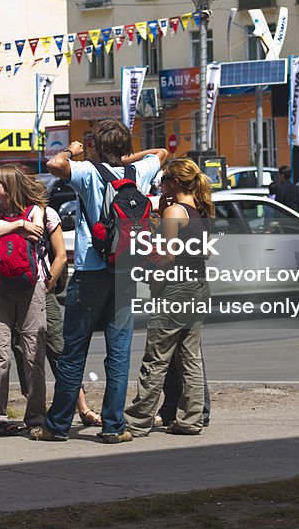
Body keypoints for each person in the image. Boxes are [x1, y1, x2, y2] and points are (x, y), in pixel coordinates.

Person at [31, 118, 168, 444]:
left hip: (92, 272)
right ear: (126, 147)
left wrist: (71, 150)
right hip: (125, 274)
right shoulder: (141, 172)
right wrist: (128, 159)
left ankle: (57, 425)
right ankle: (113, 426)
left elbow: (54, 164)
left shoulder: (88, 172)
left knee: (74, 352)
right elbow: (162, 152)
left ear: (96, 147)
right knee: (118, 353)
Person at [125, 158, 212, 437]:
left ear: (174, 183)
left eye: (163, 180)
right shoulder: (201, 210)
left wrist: (145, 271)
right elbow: (205, 252)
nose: (159, 185)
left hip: (175, 288)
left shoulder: (174, 211)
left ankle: (138, 420)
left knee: (157, 357)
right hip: (198, 286)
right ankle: (191, 419)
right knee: (190, 357)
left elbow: (167, 256)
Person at [10, 193, 102, 427]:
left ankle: (82, 407)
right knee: (22, 350)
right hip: (11, 290)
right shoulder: (5, 216)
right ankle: (35, 411)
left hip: (41, 289)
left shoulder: (45, 213)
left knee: (57, 347)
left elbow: (60, 256)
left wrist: (47, 286)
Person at [0, 164, 49, 436]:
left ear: (9, 185)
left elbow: (37, 232)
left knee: (34, 354)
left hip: (31, 286)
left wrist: (4, 228)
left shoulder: (36, 209)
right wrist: (18, 225)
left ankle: (36, 417)